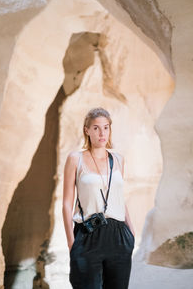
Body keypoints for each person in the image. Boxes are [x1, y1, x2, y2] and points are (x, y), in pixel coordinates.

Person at [62, 107, 135, 289]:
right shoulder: (75, 159)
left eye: (106, 127)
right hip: (88, 234)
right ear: (87, 130)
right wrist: (72, 244)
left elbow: (119, 198)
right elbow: (66, 204)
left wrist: (131, 233)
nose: (102, 133)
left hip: (118, 235)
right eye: (96, 128)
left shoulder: (118, 159)